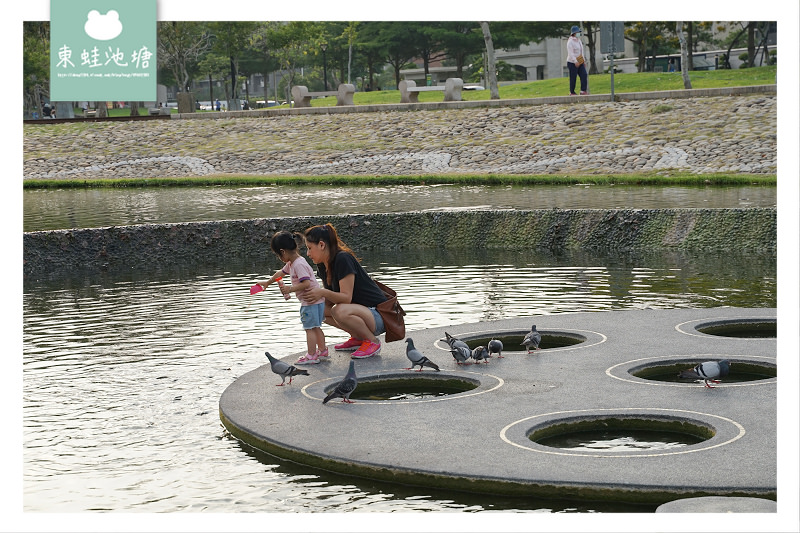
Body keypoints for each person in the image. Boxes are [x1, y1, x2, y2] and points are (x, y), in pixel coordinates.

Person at [301, 223, 387, 359]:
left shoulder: (343, 258)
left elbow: (346, 298)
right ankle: (358, 337)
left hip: (378, 315)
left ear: (322, 245)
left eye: (309, 248)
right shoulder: (323, 266)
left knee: (338, 310)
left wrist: (322, 292)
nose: (308, 254)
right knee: (318, 308)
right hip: (361, 313)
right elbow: (333, 298)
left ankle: (372, 341)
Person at [258, 231, 328, 365]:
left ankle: (312, 355)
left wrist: (290, 289)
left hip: (310, 302)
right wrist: (267, 283)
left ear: (282, 252)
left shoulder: (298, 265)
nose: (279, 257)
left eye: (278, 255)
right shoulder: (293, 262)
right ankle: (323, 350)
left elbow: (306, 283)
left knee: (309, 328)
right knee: (316, 327)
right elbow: (281, 273)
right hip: (316, 301)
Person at [566, 25, 589, 96]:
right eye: (578, 32)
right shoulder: (570, 42)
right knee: (573, 77)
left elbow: (581, 52)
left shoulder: (579, 41)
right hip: (572, 62)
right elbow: (571, 53)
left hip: (580, 61)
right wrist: (575, 61)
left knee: (584, 75)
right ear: (574, 33)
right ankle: (572, 91)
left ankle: (583, 90)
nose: (579, 33)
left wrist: (583, 61)